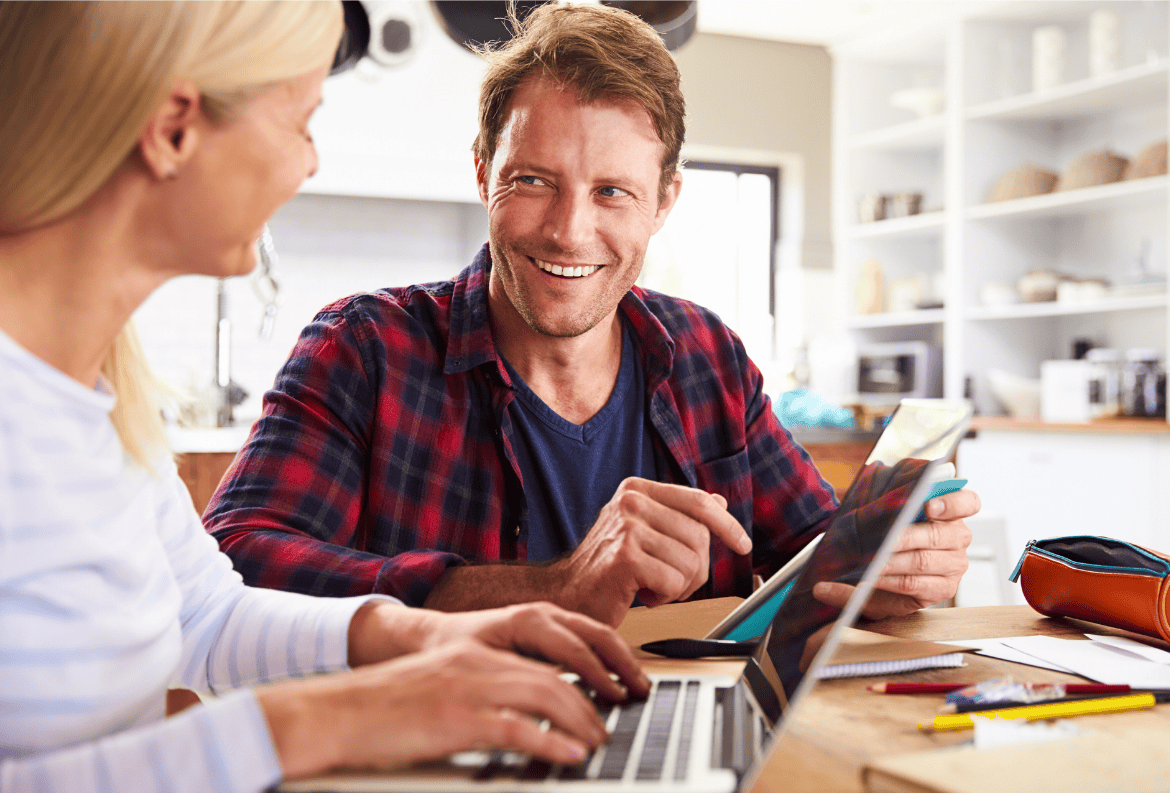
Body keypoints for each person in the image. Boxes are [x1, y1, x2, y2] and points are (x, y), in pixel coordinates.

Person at [0, 3, 651, 791]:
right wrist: (335, 717)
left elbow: (206, 612)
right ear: (173, 130)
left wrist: (420, 636)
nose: (308, 164)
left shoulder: (95, 398)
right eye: (301, 123)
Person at [205, 2, 980, 629]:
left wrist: (888, 569)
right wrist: (554, 586)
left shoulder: (707, 355)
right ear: (482, 173)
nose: (569, 232)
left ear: (664, 201)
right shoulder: (365, 347)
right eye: (533, 181)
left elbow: (818, 560)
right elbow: (234, 564)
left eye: (612, 192)